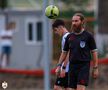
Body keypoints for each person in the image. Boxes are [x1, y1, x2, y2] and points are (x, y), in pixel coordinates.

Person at [56, 13, 99, 90]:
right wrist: (59, 65)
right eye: (73, 21)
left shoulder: (88, 36)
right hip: (72, 66)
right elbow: (64, 52)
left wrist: (95, 68)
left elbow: (94, 52)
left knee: (80, 88)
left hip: (83, 66)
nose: (74, 23)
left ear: (82, 22)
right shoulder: (69, 37)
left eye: (76, 21)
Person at [52, 19, 70, 90]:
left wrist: (63, 68)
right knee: (67, 88)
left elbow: (68, 53)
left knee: (57, 87)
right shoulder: (67, 36)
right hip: (69, 68)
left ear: (60, 27)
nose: (56, 32)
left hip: (67, 68)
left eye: (56, 30)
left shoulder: (66, 37)